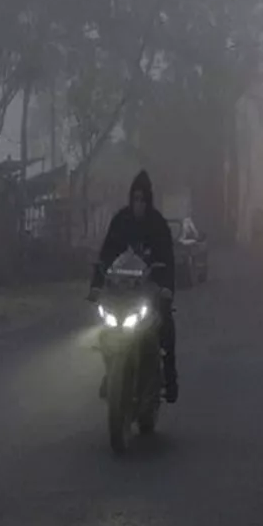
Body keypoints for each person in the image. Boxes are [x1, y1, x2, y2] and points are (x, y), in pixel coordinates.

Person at [89, 170, 178, 402]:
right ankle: (112, 374)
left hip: (149, 291)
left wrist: (167, 288)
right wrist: (96, 285)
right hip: (120, 291)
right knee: (105, 331)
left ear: (148, 200)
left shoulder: (158, 224)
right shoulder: (120, 221)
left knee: (167, 327)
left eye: (142, 199)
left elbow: (168, 259)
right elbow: (106, 254)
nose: (138, 204)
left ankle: (169, 378)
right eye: (135, 198)